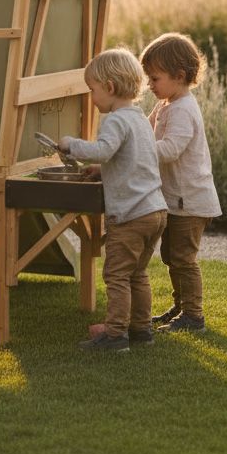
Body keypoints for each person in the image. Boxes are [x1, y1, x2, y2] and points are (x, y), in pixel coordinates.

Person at [59, 48, 167, 353]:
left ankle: (116, 335)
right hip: (155, 211)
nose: (91, 98)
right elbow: (131, 159)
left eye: (92, 90)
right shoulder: (139, 120)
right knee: (138, 273)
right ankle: (141, 329)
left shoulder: (115, 120)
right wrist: (103, 170)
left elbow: (104, 149)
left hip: (131, 216)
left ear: (109, 87)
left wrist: (71, 146)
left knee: (116, 275)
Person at [140, 32, 222, 334]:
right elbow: (145, 133)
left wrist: (139, 152)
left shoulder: (183, 109)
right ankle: (181, 306)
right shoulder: (165, 104)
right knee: (171, 256)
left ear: (179, 76)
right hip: (174, 199)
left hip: (191, 200)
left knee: (184, 259)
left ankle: (194, 316)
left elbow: (171, 149)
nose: (150, 84)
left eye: (154, 78)